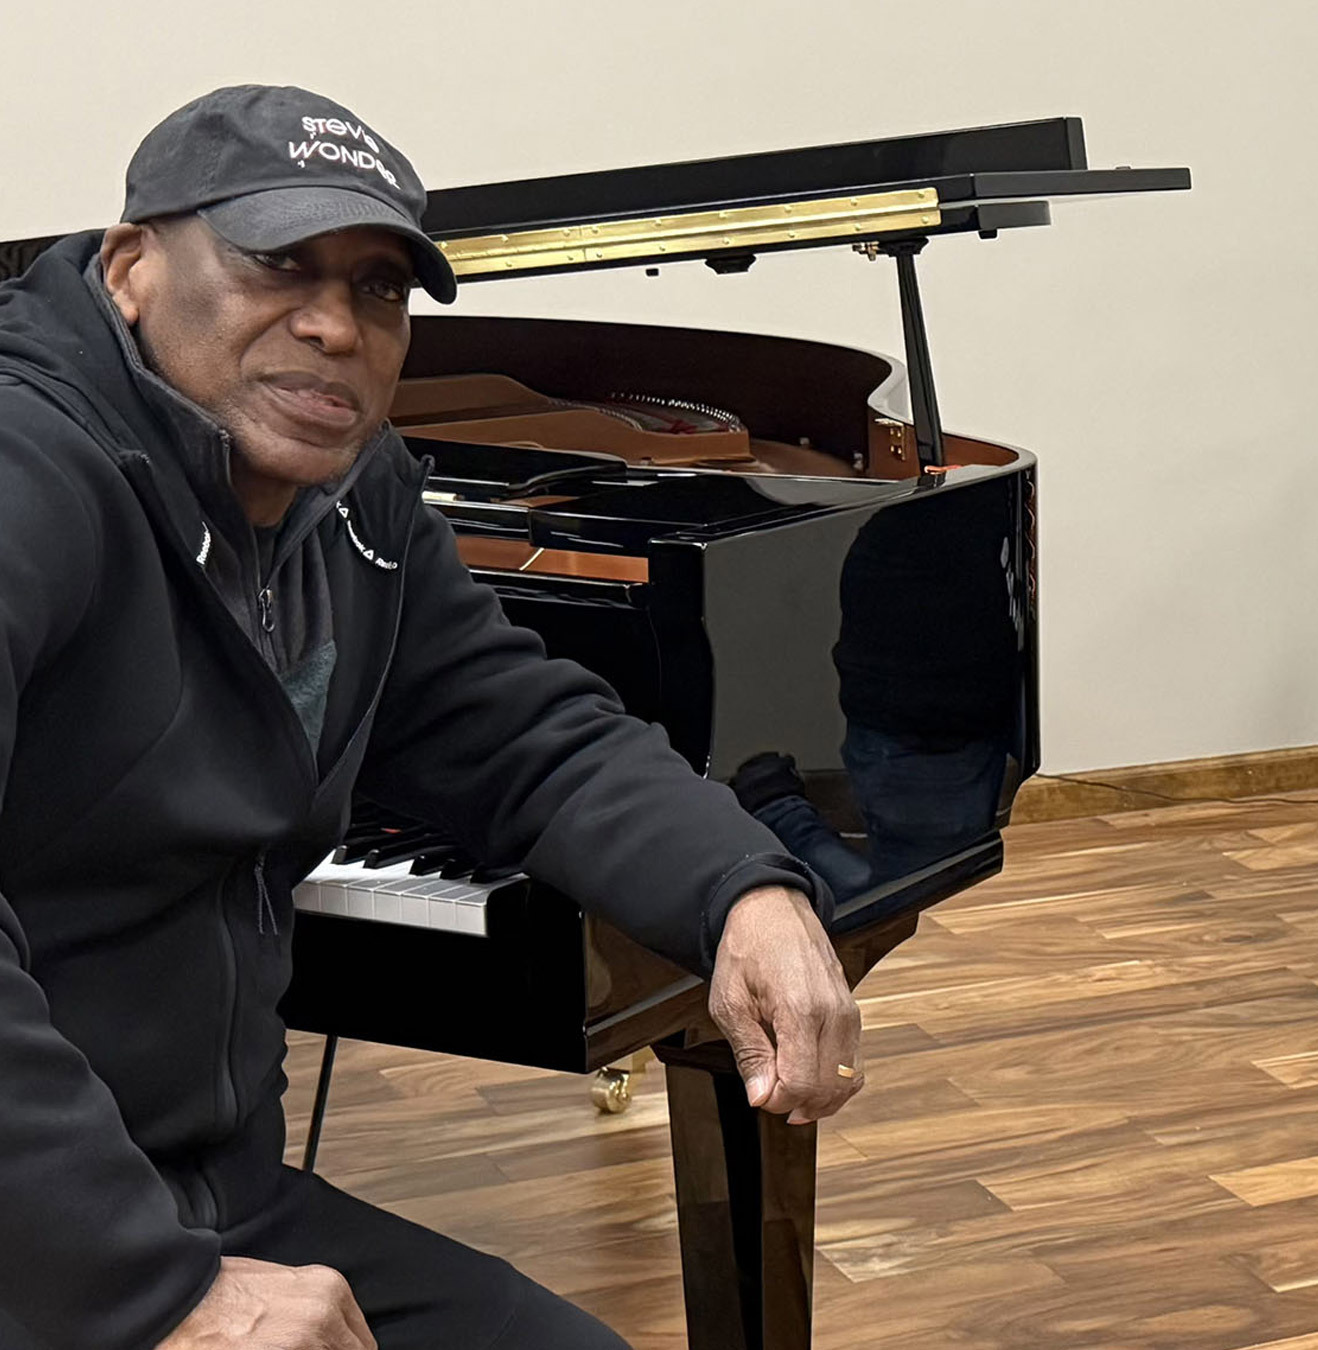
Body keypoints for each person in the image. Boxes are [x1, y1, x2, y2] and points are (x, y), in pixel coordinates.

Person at [0, 86, 863, 1348]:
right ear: (130, 267)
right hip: (54, 1241)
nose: (334, 328)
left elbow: (518, 729)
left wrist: (742, 886)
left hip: (207, 1197)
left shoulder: (352, 492)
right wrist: (149, 1291)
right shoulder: (29, 477)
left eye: (378, 290)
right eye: (278, 267)